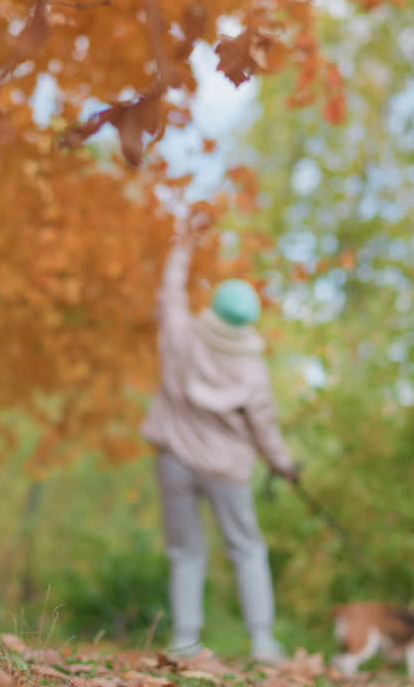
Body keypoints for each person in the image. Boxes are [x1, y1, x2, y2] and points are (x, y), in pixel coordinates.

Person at [140, 214, 300, 664]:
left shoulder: (183, 334)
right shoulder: (252, 369)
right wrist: (282, 464)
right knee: (247, 548)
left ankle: (185, 641)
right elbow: (264, 426)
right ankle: (264, 642)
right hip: (227, 467)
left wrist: (185, 244)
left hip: (173, 457)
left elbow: (170, 293)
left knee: (185, 551)